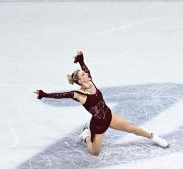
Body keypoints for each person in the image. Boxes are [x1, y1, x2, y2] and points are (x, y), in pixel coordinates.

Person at [35, 50, 168, 156]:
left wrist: (81, 60)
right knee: (95, 152)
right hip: (98, 124)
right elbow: (61, 95)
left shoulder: (90, 81)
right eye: (83, 75)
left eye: (85, 73)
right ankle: (86, 135)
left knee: (132, 128)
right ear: (80, 81)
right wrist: (45, 94)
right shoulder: (79, 95)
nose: (86, 74)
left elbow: (87, 69)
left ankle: (154, 137)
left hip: (109, 116)